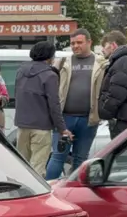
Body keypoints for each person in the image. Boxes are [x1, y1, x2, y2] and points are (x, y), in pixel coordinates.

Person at [45, 29, 107, 180]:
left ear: (89, 42)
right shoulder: (63, 62)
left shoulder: (101, 63)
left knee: (81, 159)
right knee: (58, 157)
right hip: (64, 119)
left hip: (89, 120)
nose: (75, 46)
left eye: (79, 42)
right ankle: (49, 190)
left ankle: (76, 192)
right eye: (73, 43)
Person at [13, 41, 70, 176]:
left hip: (22, 125)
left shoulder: (21, 70)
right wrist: (62, 129)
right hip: (41, 127)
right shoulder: (50, 75)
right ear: (50, 56)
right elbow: (54, 105)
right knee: (37, 167)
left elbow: (17, 95)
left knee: (22, 164)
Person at [99, 31, 127, 140]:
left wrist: (104, 112)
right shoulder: (125, 61)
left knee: (120, 155)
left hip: (123, 121)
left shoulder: (122, 63)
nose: (102, 50)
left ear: (113, 45)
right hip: (126, 119)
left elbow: (116, 95)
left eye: (104, 46)